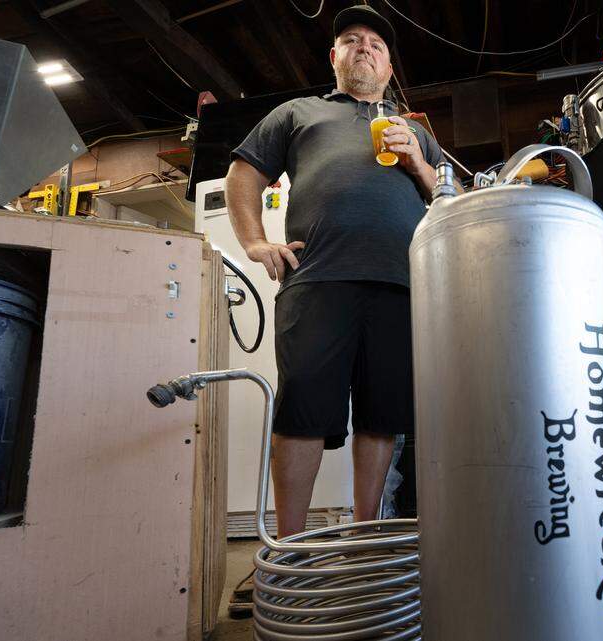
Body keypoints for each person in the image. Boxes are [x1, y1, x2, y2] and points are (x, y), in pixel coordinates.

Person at [224, 4, 444, 538]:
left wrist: (418, 162)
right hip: (318, 277)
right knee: (302, 409)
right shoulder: (298, 112)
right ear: (335, 56)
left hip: (401, 284)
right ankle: (292, 549)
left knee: (382, 415)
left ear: (389, 67)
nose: (364, 46)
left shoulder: (415, 130)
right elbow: (243, 173)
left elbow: (447, 201)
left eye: (376, 43)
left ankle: (366, 538)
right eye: (351, 39)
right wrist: (254, 242)